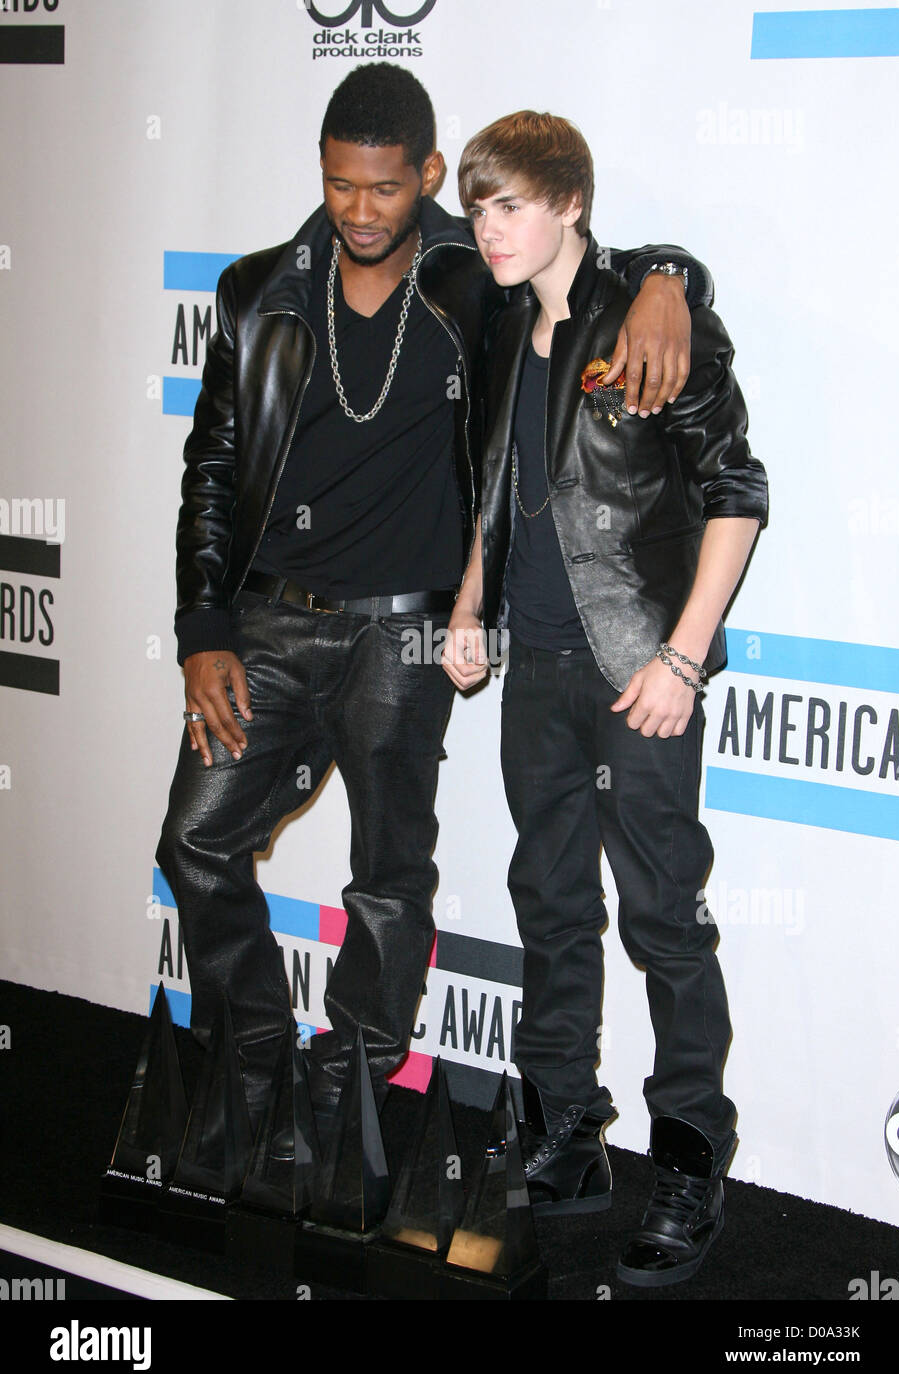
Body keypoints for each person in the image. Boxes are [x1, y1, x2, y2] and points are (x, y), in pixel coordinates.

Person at [156, 64, 712, 1131]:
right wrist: (201, 629)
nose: (361, 211)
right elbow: (213, 473)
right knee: (195, 839)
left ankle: (358, 1062)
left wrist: (670, 277)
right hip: (267, 619)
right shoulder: (255, 291)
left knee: (388, 870)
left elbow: (586, 262)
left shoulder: (477, 277)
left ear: (428, 179)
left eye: (386, 189)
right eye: (339, 187)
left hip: (408, 626)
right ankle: (255, 1040)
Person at [445, 111, 768, 1287]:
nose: (490, 229)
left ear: (570, 204)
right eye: (479, 208)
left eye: (513, 206)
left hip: (637, 671)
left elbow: (735, 492)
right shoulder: (495, 321)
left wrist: (681, 659)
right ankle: (565, 1127)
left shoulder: (646, 309)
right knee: (549, 902)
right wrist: (471, 602)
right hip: (531, 662)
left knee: (664, 918)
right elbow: (493, 476)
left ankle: (689, 1157)